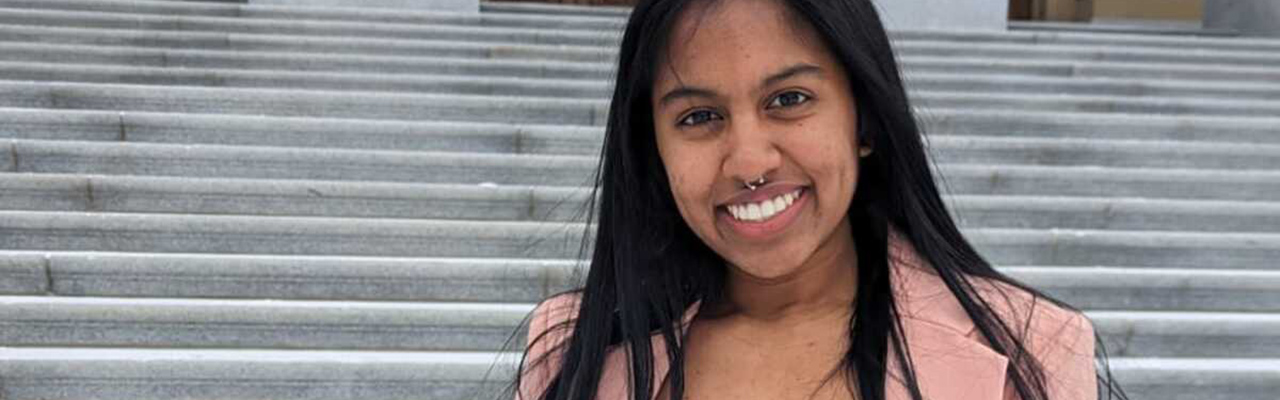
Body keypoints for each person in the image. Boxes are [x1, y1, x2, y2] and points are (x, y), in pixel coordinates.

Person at [512, 0, 1126, 399]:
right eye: (699, 116)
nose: (751, 163)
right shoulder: (574, 355)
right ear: (655, 151)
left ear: (863, 120)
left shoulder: (1030, 348)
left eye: (789, 100)